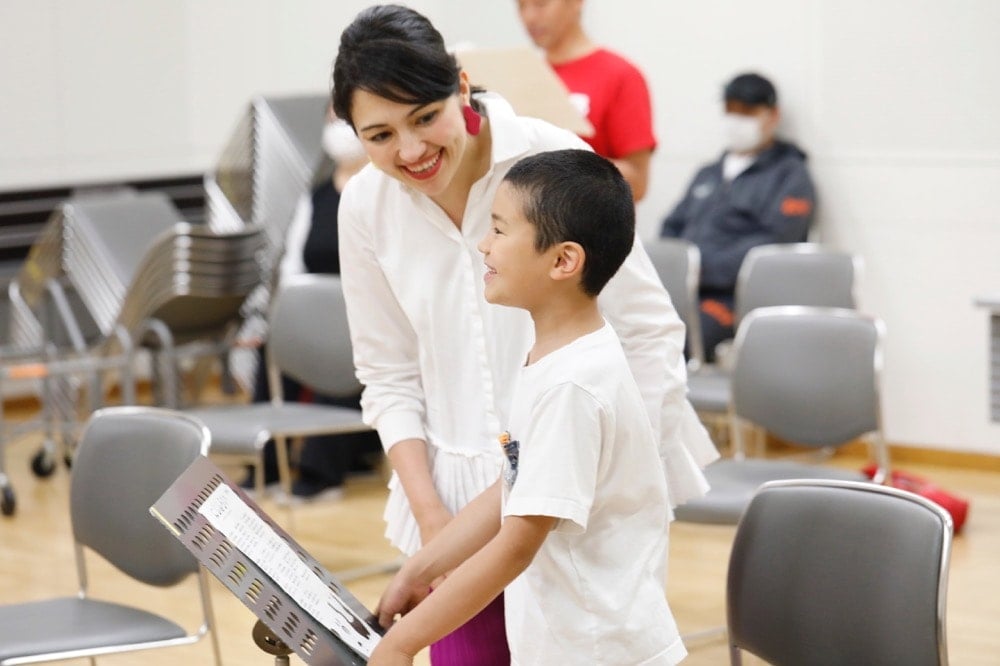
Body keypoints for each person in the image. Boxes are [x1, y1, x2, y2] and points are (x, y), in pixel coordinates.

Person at [332, 5, 716, 663]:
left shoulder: (549, 164)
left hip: (577, 501)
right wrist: (432, 529)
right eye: (380, 135)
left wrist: (613, 473)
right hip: (459, 497)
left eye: (425, 118)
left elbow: (650, 334)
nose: (411, 151)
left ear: (461, 85)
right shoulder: (367, 204)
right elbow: (387, 374)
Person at [368, 149, 686, 665]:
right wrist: (419, 570)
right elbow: (511, 487)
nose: (483, 244)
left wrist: (403, 643)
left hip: (597, 652)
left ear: (563, 261)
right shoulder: (555, 358)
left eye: (499, 229)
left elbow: (516, 544)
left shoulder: (572, 386)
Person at [242, 109, 381, 502]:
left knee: (338, 344)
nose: (339, 131)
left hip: (364, 314)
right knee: (274, 345)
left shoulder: (383, 190)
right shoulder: (316, 196)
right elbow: (293, 264)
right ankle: (268, 463)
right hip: (317, 312)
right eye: (332, 121)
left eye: (346, 121)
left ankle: (322, 471)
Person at [660, 72, 816, 363]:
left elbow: (776, 245)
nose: (736, 120)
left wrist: (702, 269)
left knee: (676, 343)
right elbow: (671, 226)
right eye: (731, 110)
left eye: (747, 112)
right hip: (679, 291)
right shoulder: (708, 173)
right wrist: (675, 270)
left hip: (731, 299)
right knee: (628, 331)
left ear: (772, 116)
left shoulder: (789, 176)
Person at [516, 0, 656, 201]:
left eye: (541, 4)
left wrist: (561, 165)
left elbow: (638, 181)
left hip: (585, 217)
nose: (529, 17)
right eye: (521, 6)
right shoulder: (524, 76)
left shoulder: (620, 76)